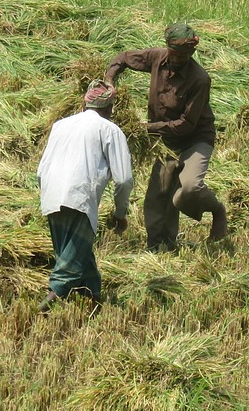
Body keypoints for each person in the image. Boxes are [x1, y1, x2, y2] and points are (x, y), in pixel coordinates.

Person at [105, 22, 227, 252]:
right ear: (168, 47)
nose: (180, 58)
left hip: (195, 138)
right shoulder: (156, 58)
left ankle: (217, 210)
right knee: (159, 194)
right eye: (176, 53)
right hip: (166, 138)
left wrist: (147, 127)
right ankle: (160, 245)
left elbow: (186, 125)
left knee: (188, 188)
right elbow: (122, 58)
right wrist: (109, 80)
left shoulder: (199, 79)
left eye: (186, 54)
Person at [36, 79, 133, 313]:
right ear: (110, 108)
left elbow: (40, 170)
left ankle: (93, 302)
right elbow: (124, 180)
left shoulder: (60, 125)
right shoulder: (110, 130)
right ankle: (46, 305)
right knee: (69, 265)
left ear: (85, 104)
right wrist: (120, 214)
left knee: (77, 252)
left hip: (51, 196)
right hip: (79, 199)